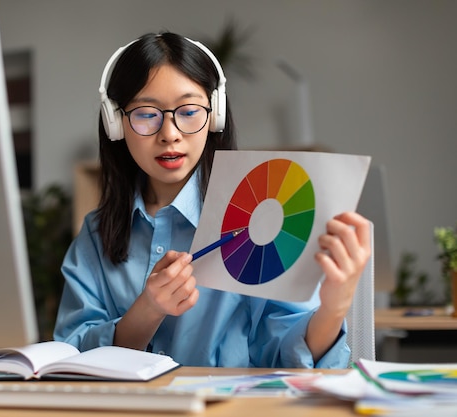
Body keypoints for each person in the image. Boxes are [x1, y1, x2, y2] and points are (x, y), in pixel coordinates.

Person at [53, 31, 371, 368]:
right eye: (146, 114)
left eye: (189, 111)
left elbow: (287, 354)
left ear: (214, 116)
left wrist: (336, 306)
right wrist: (147, 310)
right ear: (116, 122)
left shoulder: (258, 222)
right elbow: (72, 358)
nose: (170, 133)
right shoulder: (95, 234)